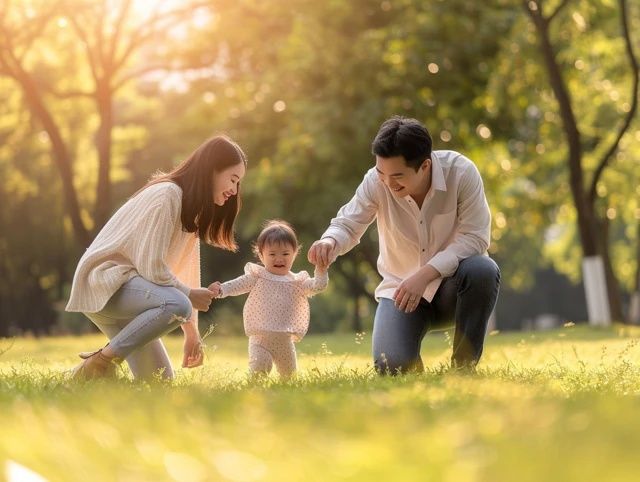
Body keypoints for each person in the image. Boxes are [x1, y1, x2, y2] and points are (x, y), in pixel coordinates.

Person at [308, 116, 500, 374]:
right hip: (399, 294)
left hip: (452, 290)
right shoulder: (377, 182)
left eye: (397, 176)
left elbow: (476, 237)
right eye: (381, 173)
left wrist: (426, 273)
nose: (388, 183)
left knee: (482, 270)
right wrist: (329, 240)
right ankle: (410, 363)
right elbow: (348, 223)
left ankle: (463, 368)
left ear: (425, 166)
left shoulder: (461, 173)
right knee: (392, 367)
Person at [65, 135, 247, 380]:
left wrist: (191, 332)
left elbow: (185, 274)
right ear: (212, 170)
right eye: (233, 180)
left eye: (238, 184)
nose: (234, 191)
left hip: (129, 294)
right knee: (178, 303)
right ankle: (102, 361)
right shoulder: (168, 195)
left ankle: (85, 373)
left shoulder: (191, 212)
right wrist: (190, 296)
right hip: (106, 283)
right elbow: (152, 267)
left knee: (161, 381)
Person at [209, 220, 328, 378]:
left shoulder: (297, 282)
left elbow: (318, 286)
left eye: (285, 254)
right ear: (261, 255)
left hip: (284, 340)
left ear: (294, 254)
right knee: (259, 369)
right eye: (272, 254)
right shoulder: (258, 276)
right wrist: (221, 289)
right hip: (260, 338)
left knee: (289, 377)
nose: (279, 259)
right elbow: (238, 285)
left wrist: (321, 269)